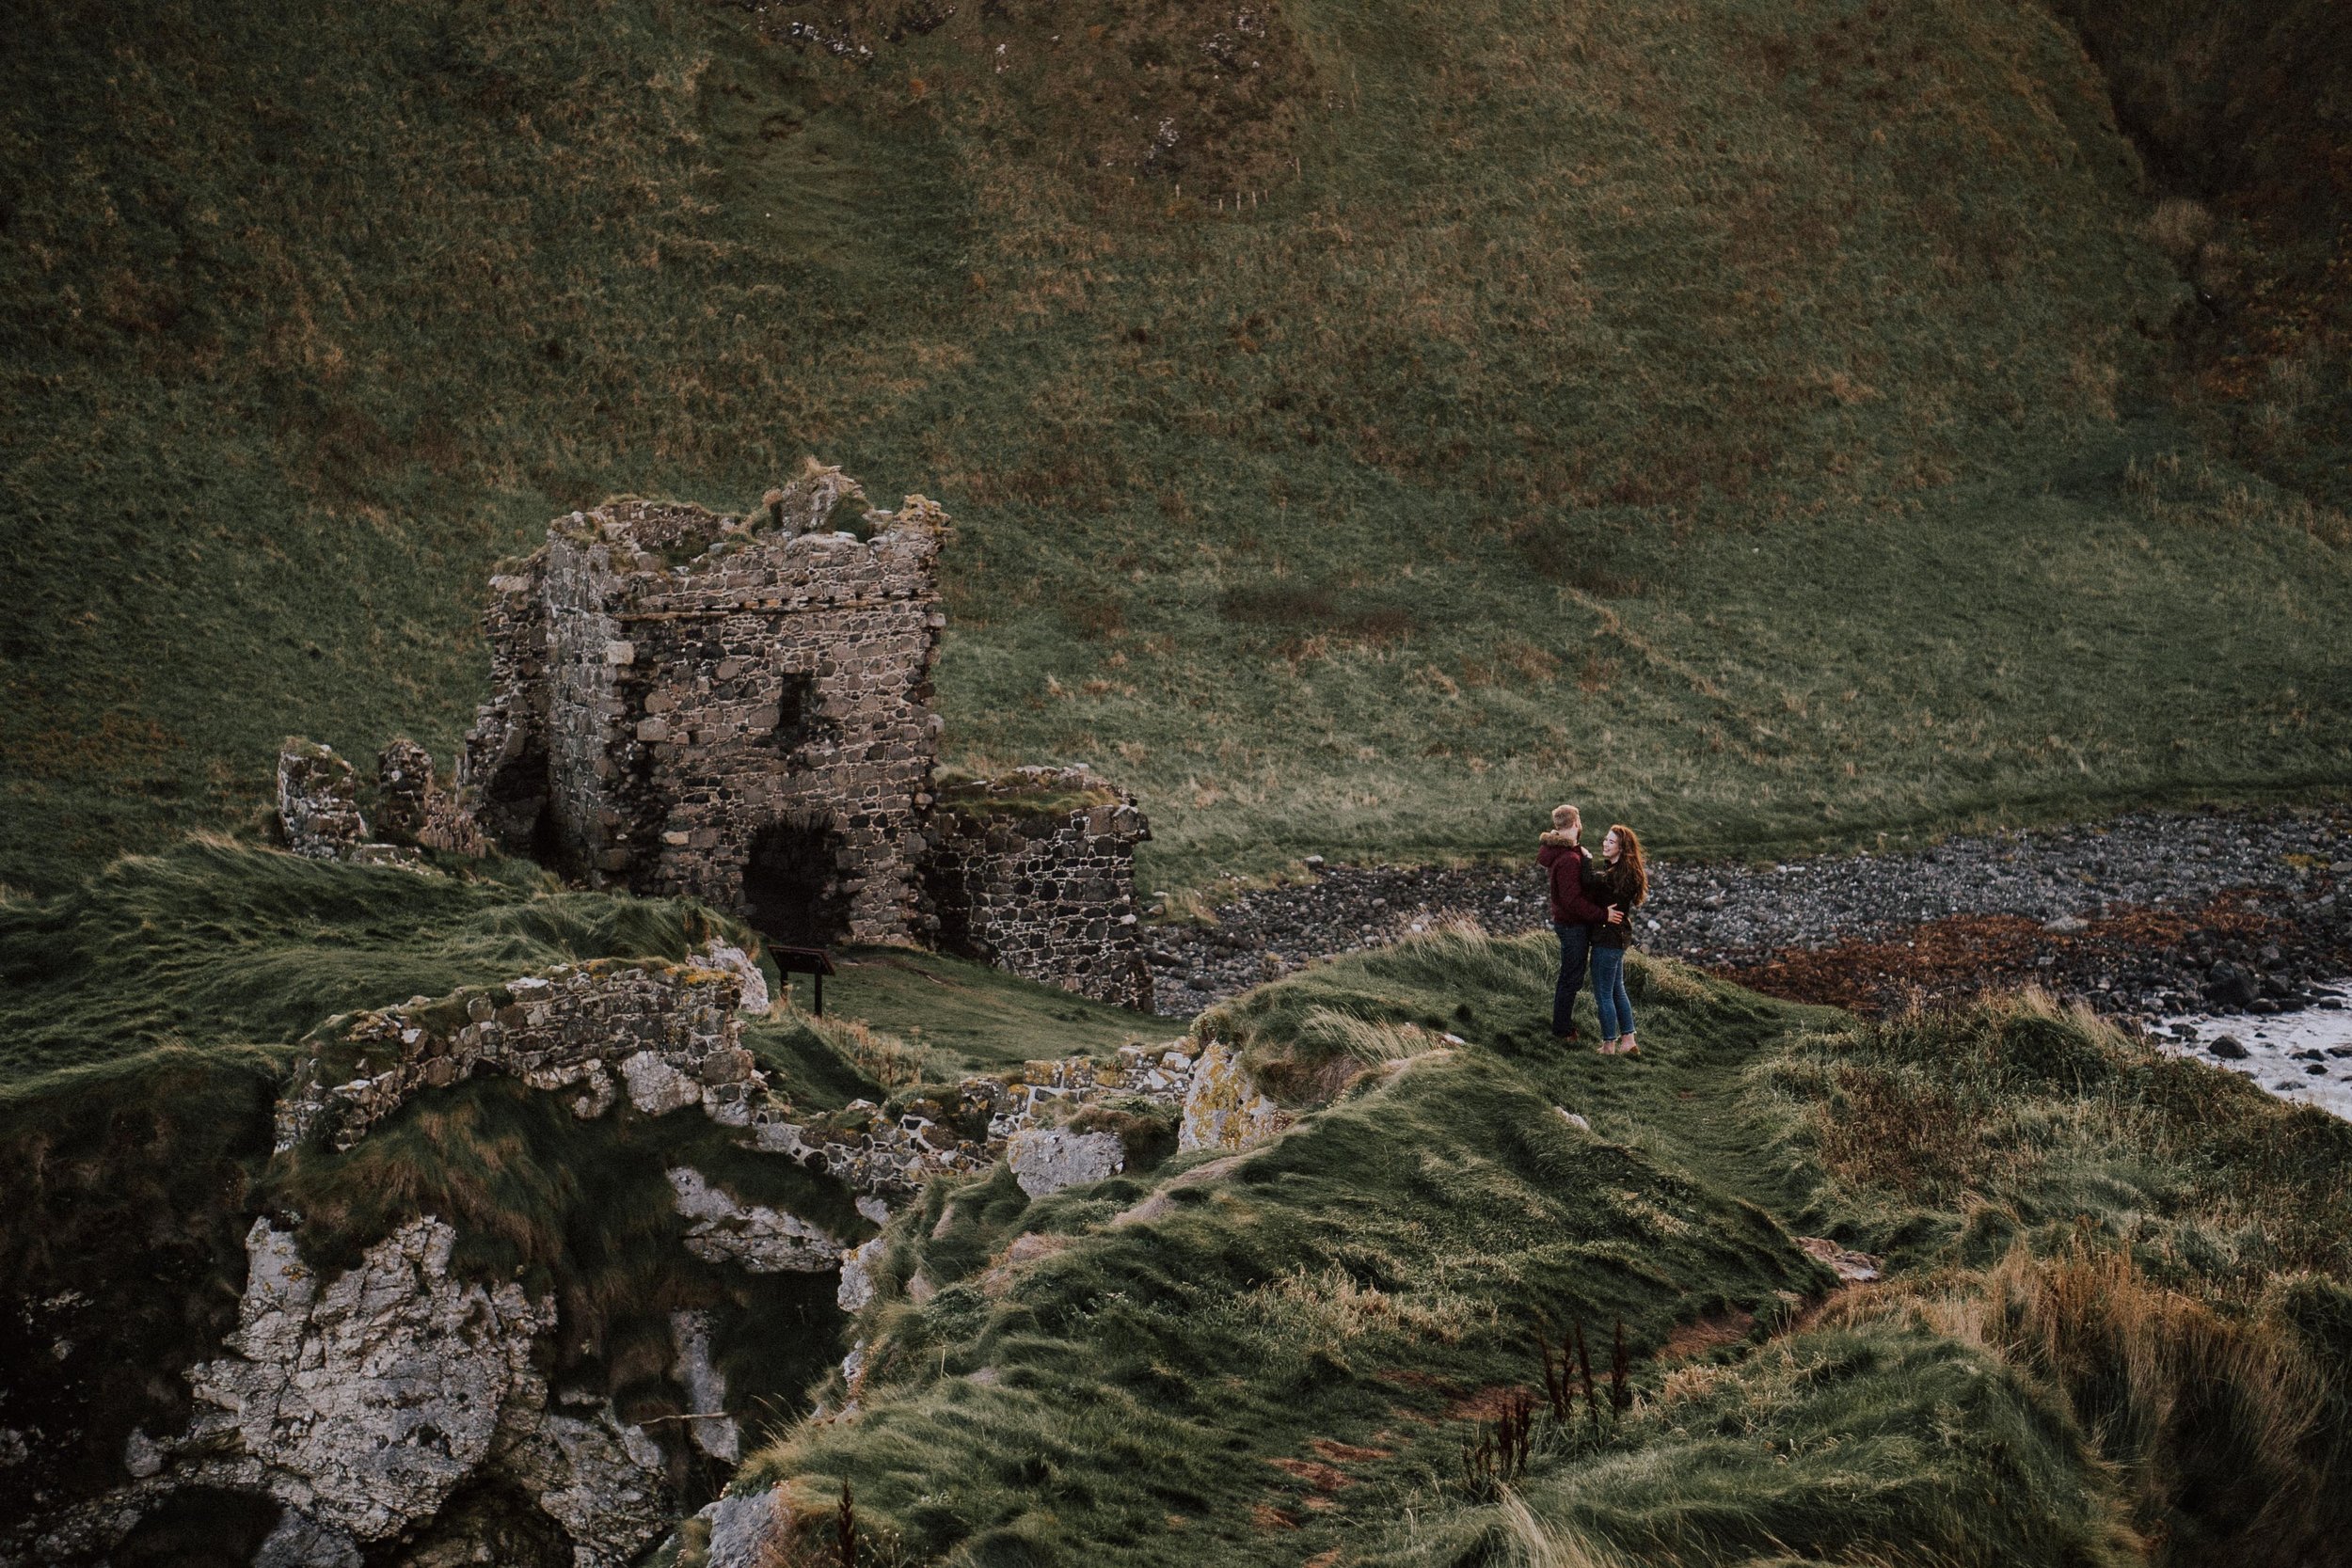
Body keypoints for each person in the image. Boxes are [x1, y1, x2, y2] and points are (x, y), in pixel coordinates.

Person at [1536, 805, 1619, 1041]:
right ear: (1575, 824)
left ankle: (1562, 1026)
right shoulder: (1569, 859)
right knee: (1570, 978)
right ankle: (1562, 1030)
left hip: (1567, 924)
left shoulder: (1562, 853)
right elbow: (1573, 901)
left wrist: (1585, 858)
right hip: (1572, 926)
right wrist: (1603, 914)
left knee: (1570, 976)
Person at [1581, 824, 1648, 1055]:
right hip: (1619, 939)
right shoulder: (1625, 873)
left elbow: (1589, 881)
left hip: (1607, 940)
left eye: (1611, 842)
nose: (1605, 843)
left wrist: (1585, 857)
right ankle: (1628, 1041)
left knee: (1603, 993)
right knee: (1617, 989)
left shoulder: (1612, 877)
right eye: (1605, 839)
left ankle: (1609, 1044)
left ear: (1622, 848)